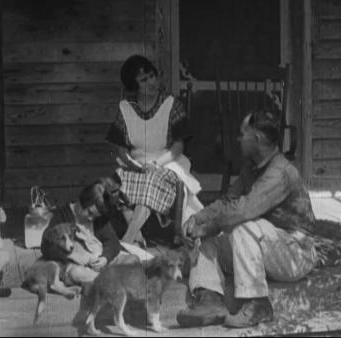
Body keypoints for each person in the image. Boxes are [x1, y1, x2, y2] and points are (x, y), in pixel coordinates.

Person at [177, 111, 319, 328]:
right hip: (267, 248)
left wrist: (209, 227)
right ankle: (210, 299)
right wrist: (198, 218)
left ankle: (258, 304)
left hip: (295, 254)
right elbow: (227, 202)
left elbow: (244, 210)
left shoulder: (280, 172)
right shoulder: (250, 169)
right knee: (209, 238)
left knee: (243, 226)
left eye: (243, 134)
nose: (238, 139)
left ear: (257, 139)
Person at [105, 54, 204, 247]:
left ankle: (129, 238)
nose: (151, 82)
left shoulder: (170, 104)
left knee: (150, 180)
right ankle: (138, 238)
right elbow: (120, 149)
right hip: (136, 164)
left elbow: (178, 146)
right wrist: (130, 163)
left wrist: (156, 164)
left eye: (152, 76)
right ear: (134, 87)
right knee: (116, 183)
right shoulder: (126, 109)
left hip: (168, 161)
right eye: (143, 80)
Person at [46, 179, 148, 288]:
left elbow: (112, 241)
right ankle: (112, 281)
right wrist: (79, 257)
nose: (91, 218)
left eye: (94, 216)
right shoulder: (62, 216)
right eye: (89, 212)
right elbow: (47, 245)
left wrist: (105, 258)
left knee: (133, 260)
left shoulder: (97, 219)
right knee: (77, 273)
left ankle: (110, 280)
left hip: (100, 261)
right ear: (81, 202)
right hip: (77, 264)